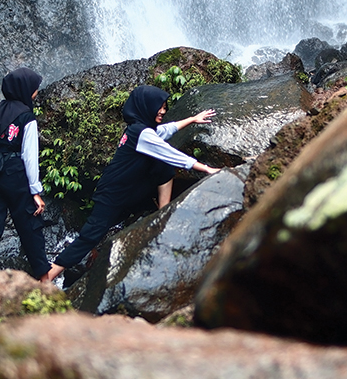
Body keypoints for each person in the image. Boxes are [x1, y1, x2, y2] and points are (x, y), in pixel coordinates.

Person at [45, 85, 219, 283]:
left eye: (164, 107)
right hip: (112, 195)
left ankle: (163, 213)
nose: (163, 111)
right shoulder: (141, 133)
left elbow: (166, 130)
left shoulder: (142, 129)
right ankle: (47, 277)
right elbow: (171, 153)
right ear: (146, 107)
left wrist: (192, 119)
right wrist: (205, 168)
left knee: (163, 167)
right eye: (159, 107)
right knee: (90, 236)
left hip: (127, 192)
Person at [0, 67, 49, 279]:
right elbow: (29, 156)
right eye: (34, 89)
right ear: (24, 89)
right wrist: (35, 191)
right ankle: (45, 284)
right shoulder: (27, 117)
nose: (36, 92)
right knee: (30, 229)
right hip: (15, 177)